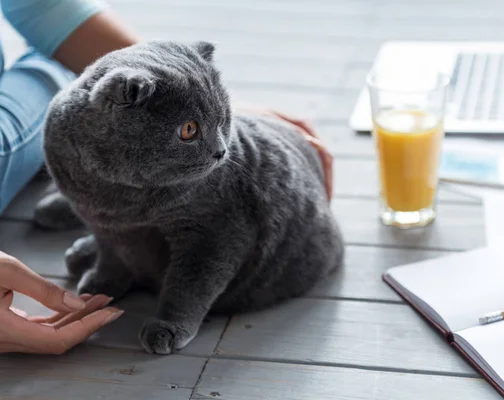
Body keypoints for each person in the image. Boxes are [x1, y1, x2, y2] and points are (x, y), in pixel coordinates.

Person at [0, 1, 333, 354]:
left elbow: (215, 243)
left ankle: (45, 62)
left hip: (273, 266)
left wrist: (177, 317)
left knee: (205, 233)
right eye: (191, 131)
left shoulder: (208, 163)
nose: (221, 151)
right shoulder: (72, 127)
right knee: (98, 214)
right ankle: (119, 261)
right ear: (123, 105)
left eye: (223, 120)